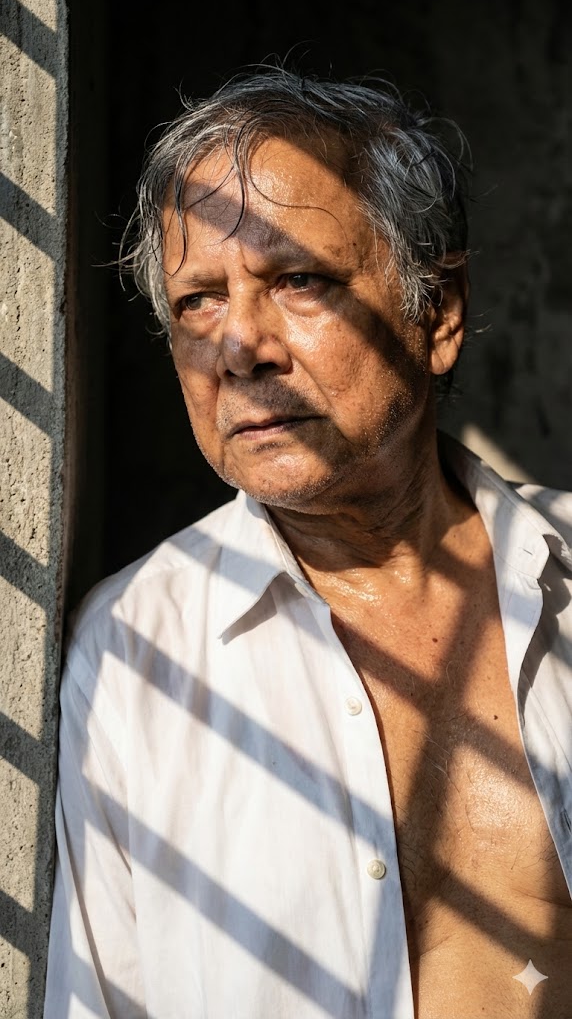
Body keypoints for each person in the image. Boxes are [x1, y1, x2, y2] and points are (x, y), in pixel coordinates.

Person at [44, 68, 572, 1018]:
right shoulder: (134, 649)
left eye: (299, 280)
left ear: (437, 314)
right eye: (198, 300)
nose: (241, 344)